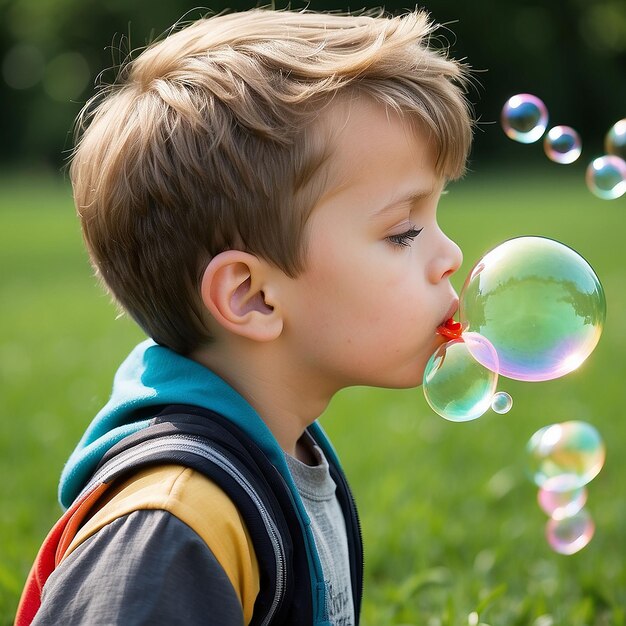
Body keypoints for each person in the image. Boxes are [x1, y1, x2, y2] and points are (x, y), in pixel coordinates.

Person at [17, 7, 472, 625]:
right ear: (253, 296)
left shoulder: (281, 455)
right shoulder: (175, 526)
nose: (450, 256)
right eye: (404, 231)